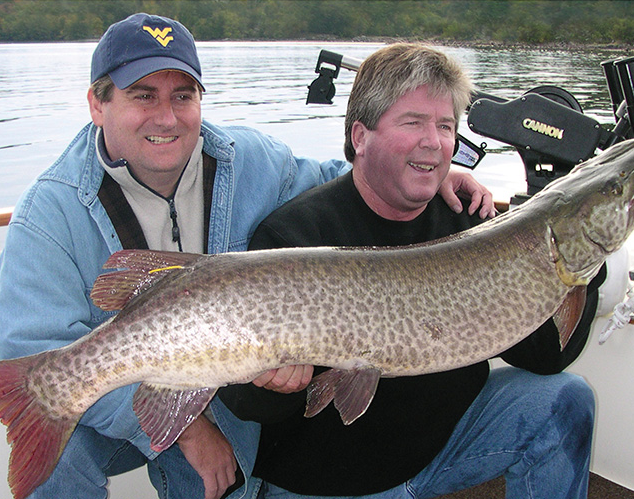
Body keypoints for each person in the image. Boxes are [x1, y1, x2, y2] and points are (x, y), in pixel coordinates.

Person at [0, 14, 494, 499]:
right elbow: (31, 344)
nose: (166, 116)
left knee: (218, 479)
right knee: (60, 460)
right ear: (97, 105)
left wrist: (427, 174)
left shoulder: (251, 159)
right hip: (117, 400)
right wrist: (188, 431)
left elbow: (339, 180)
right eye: (143, 96)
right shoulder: (48, 212)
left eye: (182, 96)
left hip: (219, 388)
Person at [217, 43, 604, 499]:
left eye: (445, 126)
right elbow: (244, 402)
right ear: (360, 137)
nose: (434, 141)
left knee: (564, 398)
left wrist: (582, 262)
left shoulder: (470, 217)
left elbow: (546, 356)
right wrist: (275, 385)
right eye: (413, 122)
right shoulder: (296, 235)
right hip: (331, 478)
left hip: (444, 447)